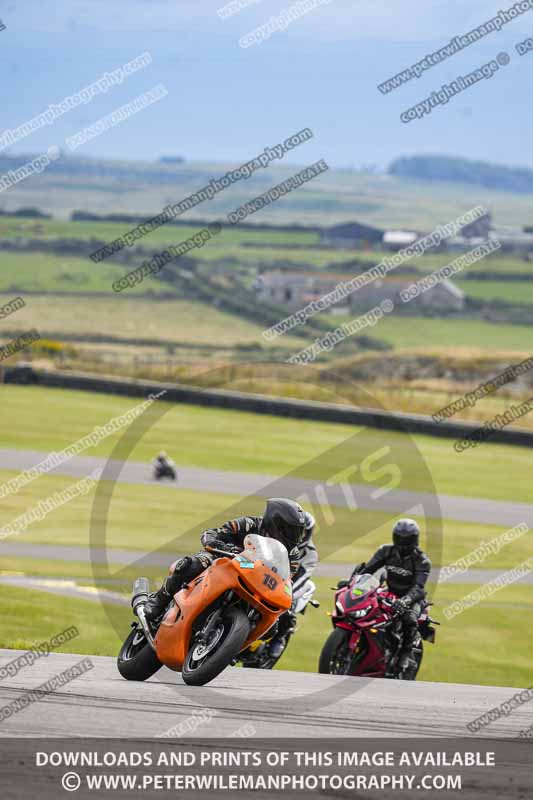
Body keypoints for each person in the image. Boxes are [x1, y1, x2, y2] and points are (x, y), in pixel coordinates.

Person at [144, 498, 312, 622]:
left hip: (257, 581)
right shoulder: (249, 524)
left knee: (275, 623)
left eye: (298, 532)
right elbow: (214, 533)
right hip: (224, 562)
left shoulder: (292, 553)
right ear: (276, 523)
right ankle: (159, 600)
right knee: (190, 565)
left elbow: (287, 578)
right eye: (291, 531)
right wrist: (220, 546)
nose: (295, 537)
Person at [342, 519, 431, 673]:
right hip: (389, 593)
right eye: (400, 538)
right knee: (364, 609)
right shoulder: (386, 551)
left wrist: (405, 601)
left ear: (414, 539)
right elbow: (368, 570)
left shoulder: (422, 561)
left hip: (412, 598)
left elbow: (419, 587)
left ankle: (404, 655)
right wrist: (352, 583)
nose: (403, 543)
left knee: (409, 620)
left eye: (407, 539)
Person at [267, 510, 318, 659]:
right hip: (264, 575)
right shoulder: (273, 537)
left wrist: (286, 592)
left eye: (301, 532)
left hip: (289, 584)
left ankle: (279, 637)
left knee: (288, 605)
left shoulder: (310, 554)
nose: (296, 535)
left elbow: (302, 578)